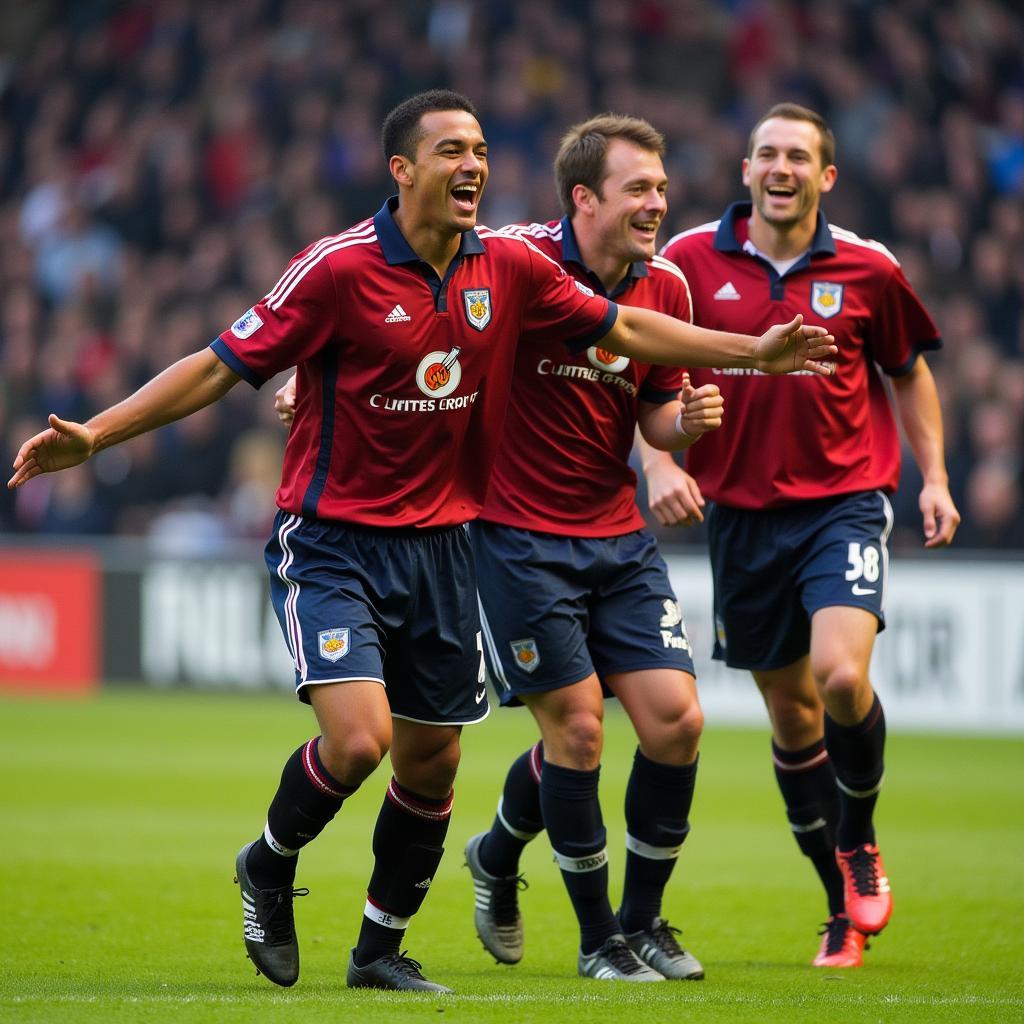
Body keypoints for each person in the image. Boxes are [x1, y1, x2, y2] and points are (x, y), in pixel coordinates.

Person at [8, 90, 836, 994]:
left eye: (479, 148)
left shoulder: (510, 270)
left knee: (433, 758)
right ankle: (268, 861)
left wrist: (752, 355)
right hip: (333, 542)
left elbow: (626, 329)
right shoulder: (337, 268)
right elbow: (217, 365)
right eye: (450, 150)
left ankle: (377, 950)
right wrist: (96, 434)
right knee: (360, 742)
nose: (472, 163)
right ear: (403, 171)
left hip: (443, 545)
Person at [276, 114, 720, 983]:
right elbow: (409, 325)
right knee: (579, 727)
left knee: (677, 721)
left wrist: (679, 432)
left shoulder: (665, 285)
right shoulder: (509, 261)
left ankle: (631, 916)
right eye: (641, 189)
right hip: (513, 534)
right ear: (585, 198)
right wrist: (312, 376)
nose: (658, 204)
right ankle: (600, 944)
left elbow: (654, 405)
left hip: (616, 533)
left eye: (663, 189)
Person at [652, 102, 960, 969]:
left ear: (826, 175)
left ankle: (857, 835)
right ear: (745, 170)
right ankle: (839, 911)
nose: (780, 168)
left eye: (798, 156)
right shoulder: (685, 261)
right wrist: (659, 458)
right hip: (740, 518)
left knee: (838, 674)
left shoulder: (868, 267)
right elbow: (640, 363)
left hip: (843, 505)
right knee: (792, 718)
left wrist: (933, 478)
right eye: (766, 155)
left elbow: (909, 373)